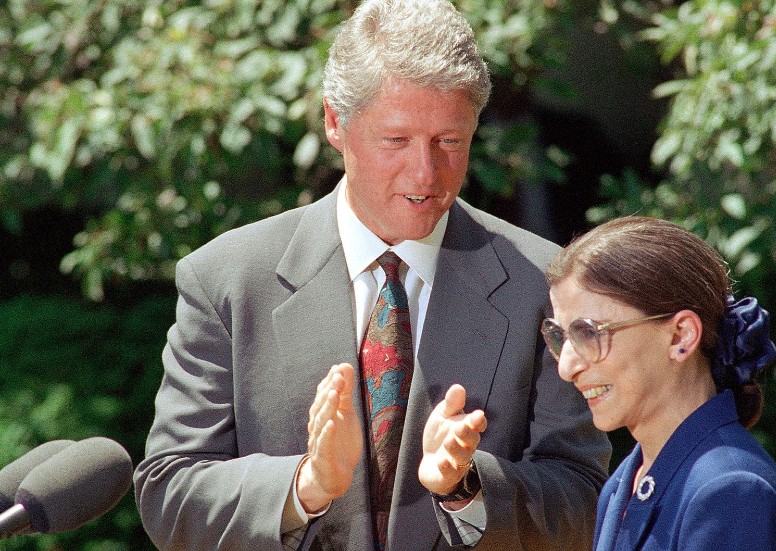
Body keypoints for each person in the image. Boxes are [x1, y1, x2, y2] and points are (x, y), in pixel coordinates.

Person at [132, 1, 610, 550]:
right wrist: (306, 485)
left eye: (449, 142)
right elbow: (169, 494)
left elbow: (585, 500)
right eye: (396, 141)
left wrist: (468, 490)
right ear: (336, 122)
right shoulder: (226, 281)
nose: (426, 173)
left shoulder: (544, 288)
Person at [542, 216, 776, 551]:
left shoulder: (730, 489)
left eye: (589, 333)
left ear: (681, 336)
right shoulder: (623, 482)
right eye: (560, 337)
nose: (567, 367)